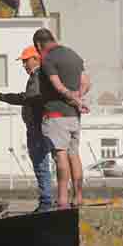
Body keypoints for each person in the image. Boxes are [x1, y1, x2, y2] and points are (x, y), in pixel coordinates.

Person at [0, 45, 53, 212]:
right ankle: (48, 200)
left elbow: (26, 98)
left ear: (36, 59)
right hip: (38, 126)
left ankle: (47, 202)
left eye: (26, 61)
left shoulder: (37, 76)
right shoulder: (38, 76)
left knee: (40, 164)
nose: (24, 65)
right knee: (43, 164)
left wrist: (1, 96)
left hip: (37, 127)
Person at [33, 28, 90, 209]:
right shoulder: (73, 55)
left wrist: (71, 97)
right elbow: (86, 82)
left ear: (39, 45)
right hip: (74, 115)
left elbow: (57, 85)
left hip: (56, 114)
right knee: (74, 154)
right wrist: (78, 98)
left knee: (61, 155)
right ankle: (78, 197)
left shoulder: (48, 59)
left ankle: (63, 199)